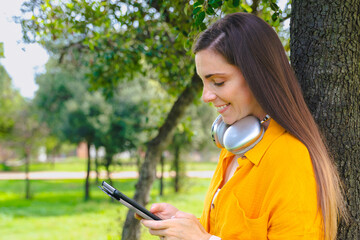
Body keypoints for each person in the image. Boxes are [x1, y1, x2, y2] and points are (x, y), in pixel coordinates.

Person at [141, 12, 347, 240]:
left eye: (217, 82)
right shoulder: (232, 145)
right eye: (203, 82)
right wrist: (186, 225)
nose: (205, 96)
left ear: (256, 75)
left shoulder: (291, 160)